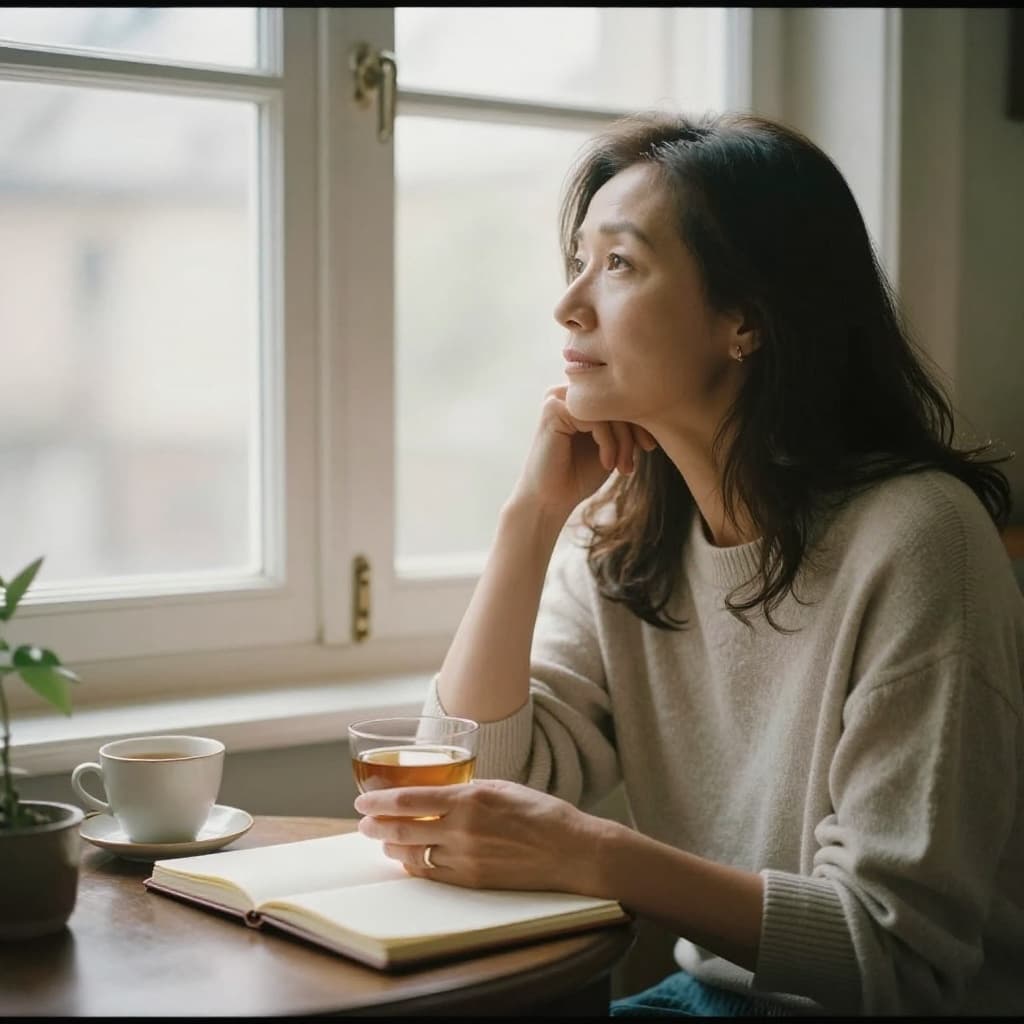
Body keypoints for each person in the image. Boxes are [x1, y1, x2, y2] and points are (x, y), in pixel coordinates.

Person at [353, 110, 1024, 1016]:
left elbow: (896, 955)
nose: (569, 305)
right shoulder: (620, 540)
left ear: (744, 320)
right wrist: (531, 519)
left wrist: (595, 856)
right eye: (577, 262)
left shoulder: (919, 540)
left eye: (620, 264)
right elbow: (462, 800)